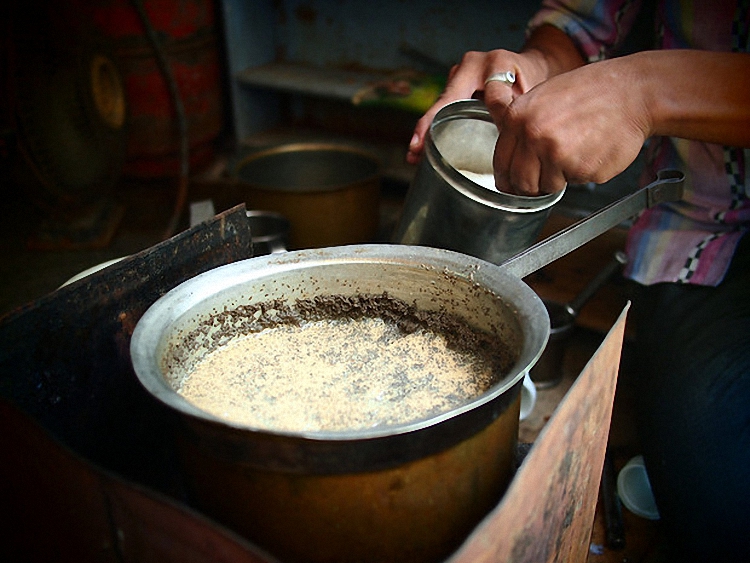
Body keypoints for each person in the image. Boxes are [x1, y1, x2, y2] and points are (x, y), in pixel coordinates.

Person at [406, 1, 750, 561]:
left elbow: (640, 88)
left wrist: (646, 88)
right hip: (708, 227)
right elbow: (584, 20)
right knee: (709, 479)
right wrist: (536, 67)